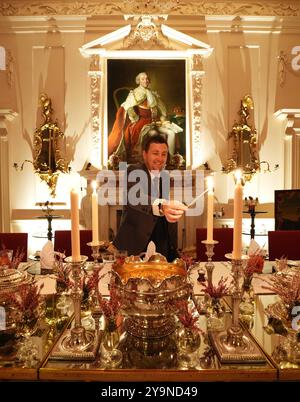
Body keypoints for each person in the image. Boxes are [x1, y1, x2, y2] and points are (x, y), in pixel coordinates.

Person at [113, 134, 187, 261]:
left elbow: (163, 210)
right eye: (155, 153)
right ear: (144, 154)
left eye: (164, 154)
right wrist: (162, 206)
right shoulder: (134, 170)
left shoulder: (164, 176)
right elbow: (135, 198)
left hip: (162, 245)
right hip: (136, 245)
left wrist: (173, 211)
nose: (160, 158)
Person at [108, 72, 182, 164]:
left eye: (147, 79)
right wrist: (134, 118)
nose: (145, 81)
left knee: (171, 133)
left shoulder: (152, 93)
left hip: (156, 121)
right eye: (143, 79)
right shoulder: (134, 93)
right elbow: (128, 107)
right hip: (142, 122)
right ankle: (151, 161)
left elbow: (162, 109)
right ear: (138, 81)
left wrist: (163, 119)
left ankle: (169, 160)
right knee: (154, 134)